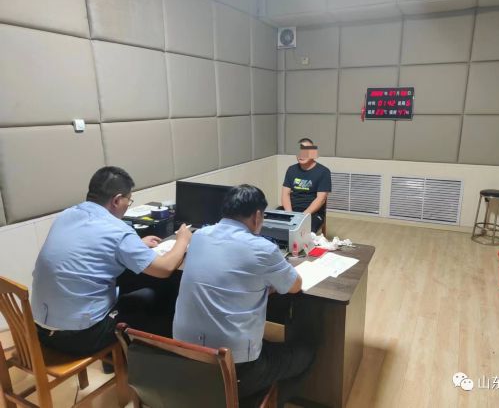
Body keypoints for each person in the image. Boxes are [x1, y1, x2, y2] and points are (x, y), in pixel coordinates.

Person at [173, 185, 314, 407]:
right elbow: (295, 286)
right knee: (305, 354)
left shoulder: (199, 236)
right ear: (257, 216)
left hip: (186, 358)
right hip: (234, 370)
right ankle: (259, 401)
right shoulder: (263, 249)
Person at [31, 166, 192, 356]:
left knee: (129, 282)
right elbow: (165, 268)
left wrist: (136, 245)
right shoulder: (117, 231)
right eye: (128, 201)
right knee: (152, 297)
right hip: (80, 337)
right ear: (116, 200)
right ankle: (150, 363)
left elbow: (90, 246)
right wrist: (183, 240)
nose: (127, 206)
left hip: (40, 330)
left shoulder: (67, 215)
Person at [281, 138, 331, 232]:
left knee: (304, 232)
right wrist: (289, 214)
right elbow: (285, 194)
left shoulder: (324, 171)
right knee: (273, 224)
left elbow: (321, 199)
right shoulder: (291, 170)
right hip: (291, 209)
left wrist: (302, 217)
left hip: (313, 212)